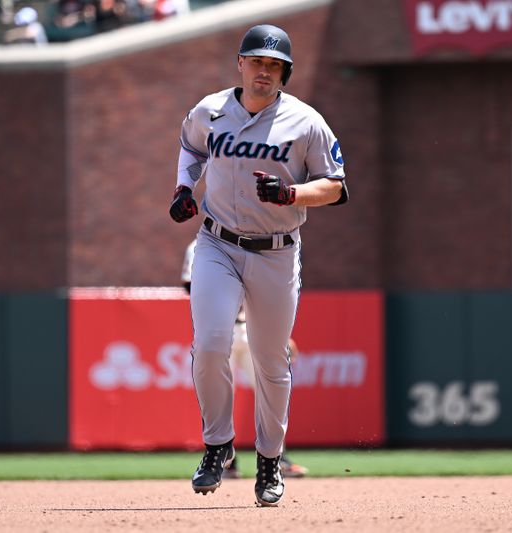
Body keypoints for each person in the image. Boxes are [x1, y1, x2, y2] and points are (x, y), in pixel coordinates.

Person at [169, 23, 347, 507]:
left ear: (285, 73)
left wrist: (293, 193)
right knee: (209, 345)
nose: (264, 71)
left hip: (276, 250)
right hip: (217, 244)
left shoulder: (306, 121)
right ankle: (216, 445)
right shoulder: (209, 111)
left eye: (274, 65)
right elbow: (190, 147)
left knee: (271, 362)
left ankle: (269, 459)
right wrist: (185, 189)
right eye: (257, 61)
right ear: (240, 64)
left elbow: (335, 186)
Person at [181, 239, 309, 480]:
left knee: (269, 389)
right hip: (224, 329)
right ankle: (226, 460)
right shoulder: (201, 246)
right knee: (218, 389)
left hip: (252, 329)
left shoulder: (261, 242)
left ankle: (277, 459)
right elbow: (192, 285)